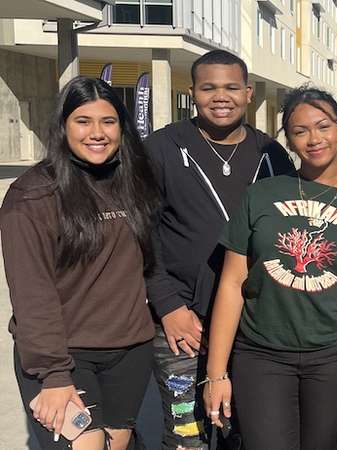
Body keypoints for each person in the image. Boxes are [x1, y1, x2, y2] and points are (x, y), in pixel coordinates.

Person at [202, 87, 337, 449]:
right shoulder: (260, 195)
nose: (313, 138)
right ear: (289, 141)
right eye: (300, 131)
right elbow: (231, 284)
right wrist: (215, 374)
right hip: (261, 356)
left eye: (323, 126)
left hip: (333, 359)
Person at [143, 49, 295, 450]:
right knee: (186, 435)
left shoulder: (272, 155)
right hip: (182, 323)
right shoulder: (161, 148)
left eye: (231, 87)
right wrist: (167, 304)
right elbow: (139, 234)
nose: (220, 96)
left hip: (253, 324)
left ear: (248, 93)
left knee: (243, 431)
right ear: (192, 92)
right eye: (208, 87)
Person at [0, 76, 160, 450]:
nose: (97, 133)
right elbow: (32, 293)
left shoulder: (133, 182)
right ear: (63, 126)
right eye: (83, 121)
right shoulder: (33, 194)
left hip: (129, 353)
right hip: (66, 357)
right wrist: (54, 374)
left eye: (108, 121)